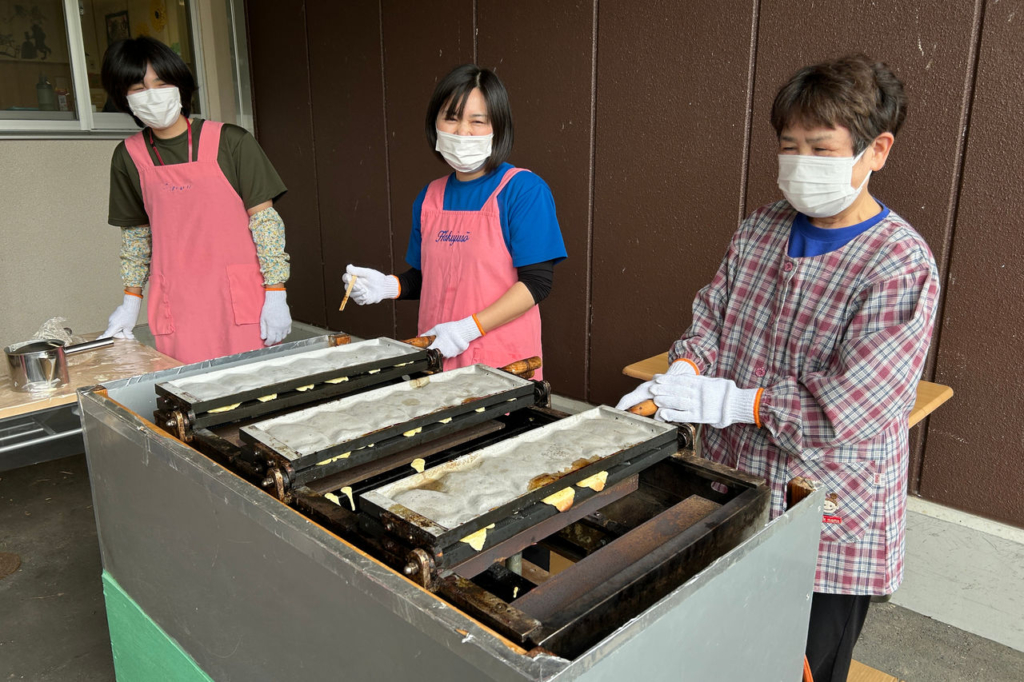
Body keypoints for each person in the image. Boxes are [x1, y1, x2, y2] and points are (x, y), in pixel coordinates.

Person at [616, 55, 939, 682]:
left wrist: (736, 403)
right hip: (735, 482)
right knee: (729, 649)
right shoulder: (762, 227)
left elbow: (856, 405)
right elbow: (713, 318)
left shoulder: (898, 263)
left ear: (876, 150)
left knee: (800, 664)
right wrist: (685, 372)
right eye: (789, 147)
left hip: (828, 507)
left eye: (821, 148)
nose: (800, 162)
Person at [343, 64, 566, 376]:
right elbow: (429, 278)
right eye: (451, 117)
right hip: (436, 356)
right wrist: (387, 286)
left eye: (477, 121)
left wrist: (467, 329)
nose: (462, 131)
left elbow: (537, 283)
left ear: (498, 127)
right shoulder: (429, 197)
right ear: (434, 123)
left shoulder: (523, 190)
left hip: (501, 365)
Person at [100, 37, 292, 364]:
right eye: (138, 88)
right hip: (178, 305)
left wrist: (276, 293)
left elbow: (265, 224)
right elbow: (136, 238)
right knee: (189, 388)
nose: (151, 95)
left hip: (239, 300)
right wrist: (131, 302)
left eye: (161, 83)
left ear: (180, 85)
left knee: (252, 384)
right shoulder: (128, 157)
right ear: (124, 98)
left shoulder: (231, 142)